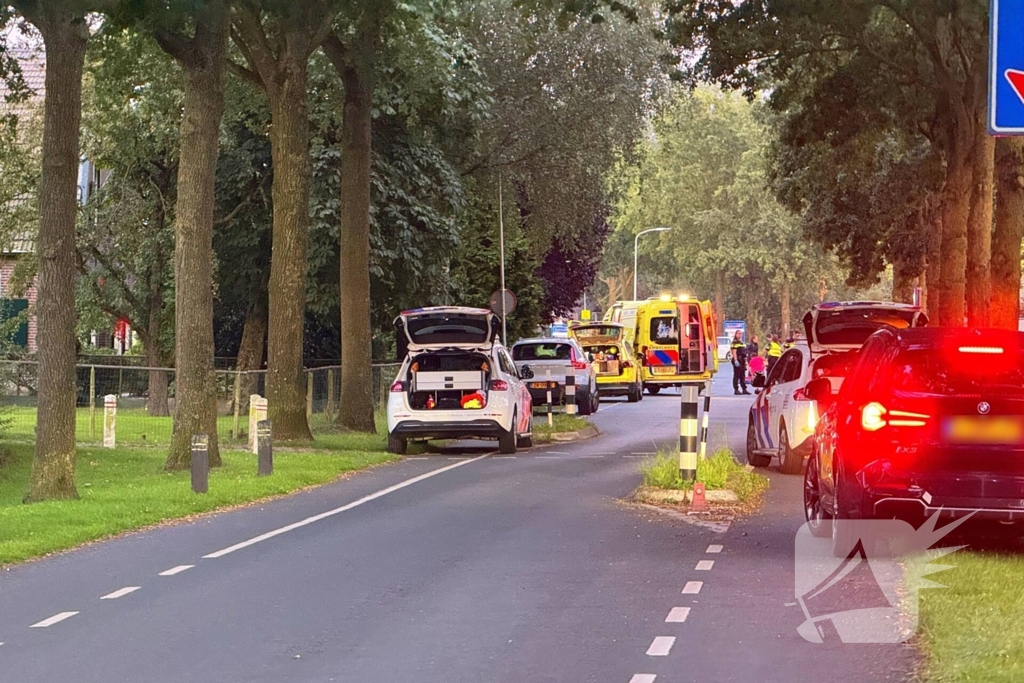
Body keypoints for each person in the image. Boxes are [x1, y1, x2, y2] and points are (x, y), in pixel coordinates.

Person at [730, 331, 750, 395]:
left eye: (741, 334)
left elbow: (744, 352)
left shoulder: (741, 342)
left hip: (742, 360)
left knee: (742, 375)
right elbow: (734, 352)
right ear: (735, 334)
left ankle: (744, 389)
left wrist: (746, 361)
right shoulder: (734, 342)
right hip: (738, 359)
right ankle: (736, 389)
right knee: (737, 375)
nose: (740, 335)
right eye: (739, 333)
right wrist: (735, 360)